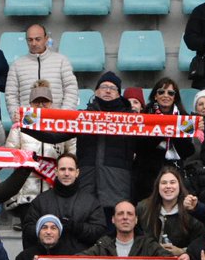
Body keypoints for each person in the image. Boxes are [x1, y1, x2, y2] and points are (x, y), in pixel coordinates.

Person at [22, 72, 137, 221]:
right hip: (87, 184)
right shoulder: (82, 118)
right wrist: (26, 125)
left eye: (113, 88)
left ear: (119, 94)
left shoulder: (131, 120)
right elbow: (54, 136)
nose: (108, 90)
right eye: (104, 87)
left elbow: (148, 144)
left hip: (116, 188)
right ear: (96, 91)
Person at [5, 82, 78, 219]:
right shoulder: (20, 127)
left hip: (55, 192)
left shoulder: (62, 125)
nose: (40, 106)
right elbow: (10, 155)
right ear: (30, 104)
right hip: (26, 193)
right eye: (36, 102)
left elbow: (72, 156)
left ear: (51, 103)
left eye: (45, 102)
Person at [131, 79, 199, 203]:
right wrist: (162, 131)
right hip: (147, 174)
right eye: (161, 92)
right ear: (155, 96)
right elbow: (138, 147)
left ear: (175, 97)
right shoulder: (145, 115)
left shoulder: (184, 117)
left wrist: (172, 130)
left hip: (174, 172)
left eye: (170, 93)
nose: (166, 96)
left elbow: (188, 151)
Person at [20, 152, 105, 250]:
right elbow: (28, 230)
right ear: (56, 172)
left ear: (77, 173)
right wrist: (48, 229)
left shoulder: (91, 202)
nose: (67, 173)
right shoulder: (41, 201)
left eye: (71, 169)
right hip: (48, 258)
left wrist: (77, 228)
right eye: (62, 169)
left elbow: (100, 232)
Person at [5, 24, 79, 121]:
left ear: (46, 39)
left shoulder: (62, 61)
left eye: (38, 39)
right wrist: (19, 118)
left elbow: (71, 90)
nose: (34, 43)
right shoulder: (16, 65)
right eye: (30, 40)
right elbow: (11, 95)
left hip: (57, 121)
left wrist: (63, 116)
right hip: (28, 122)